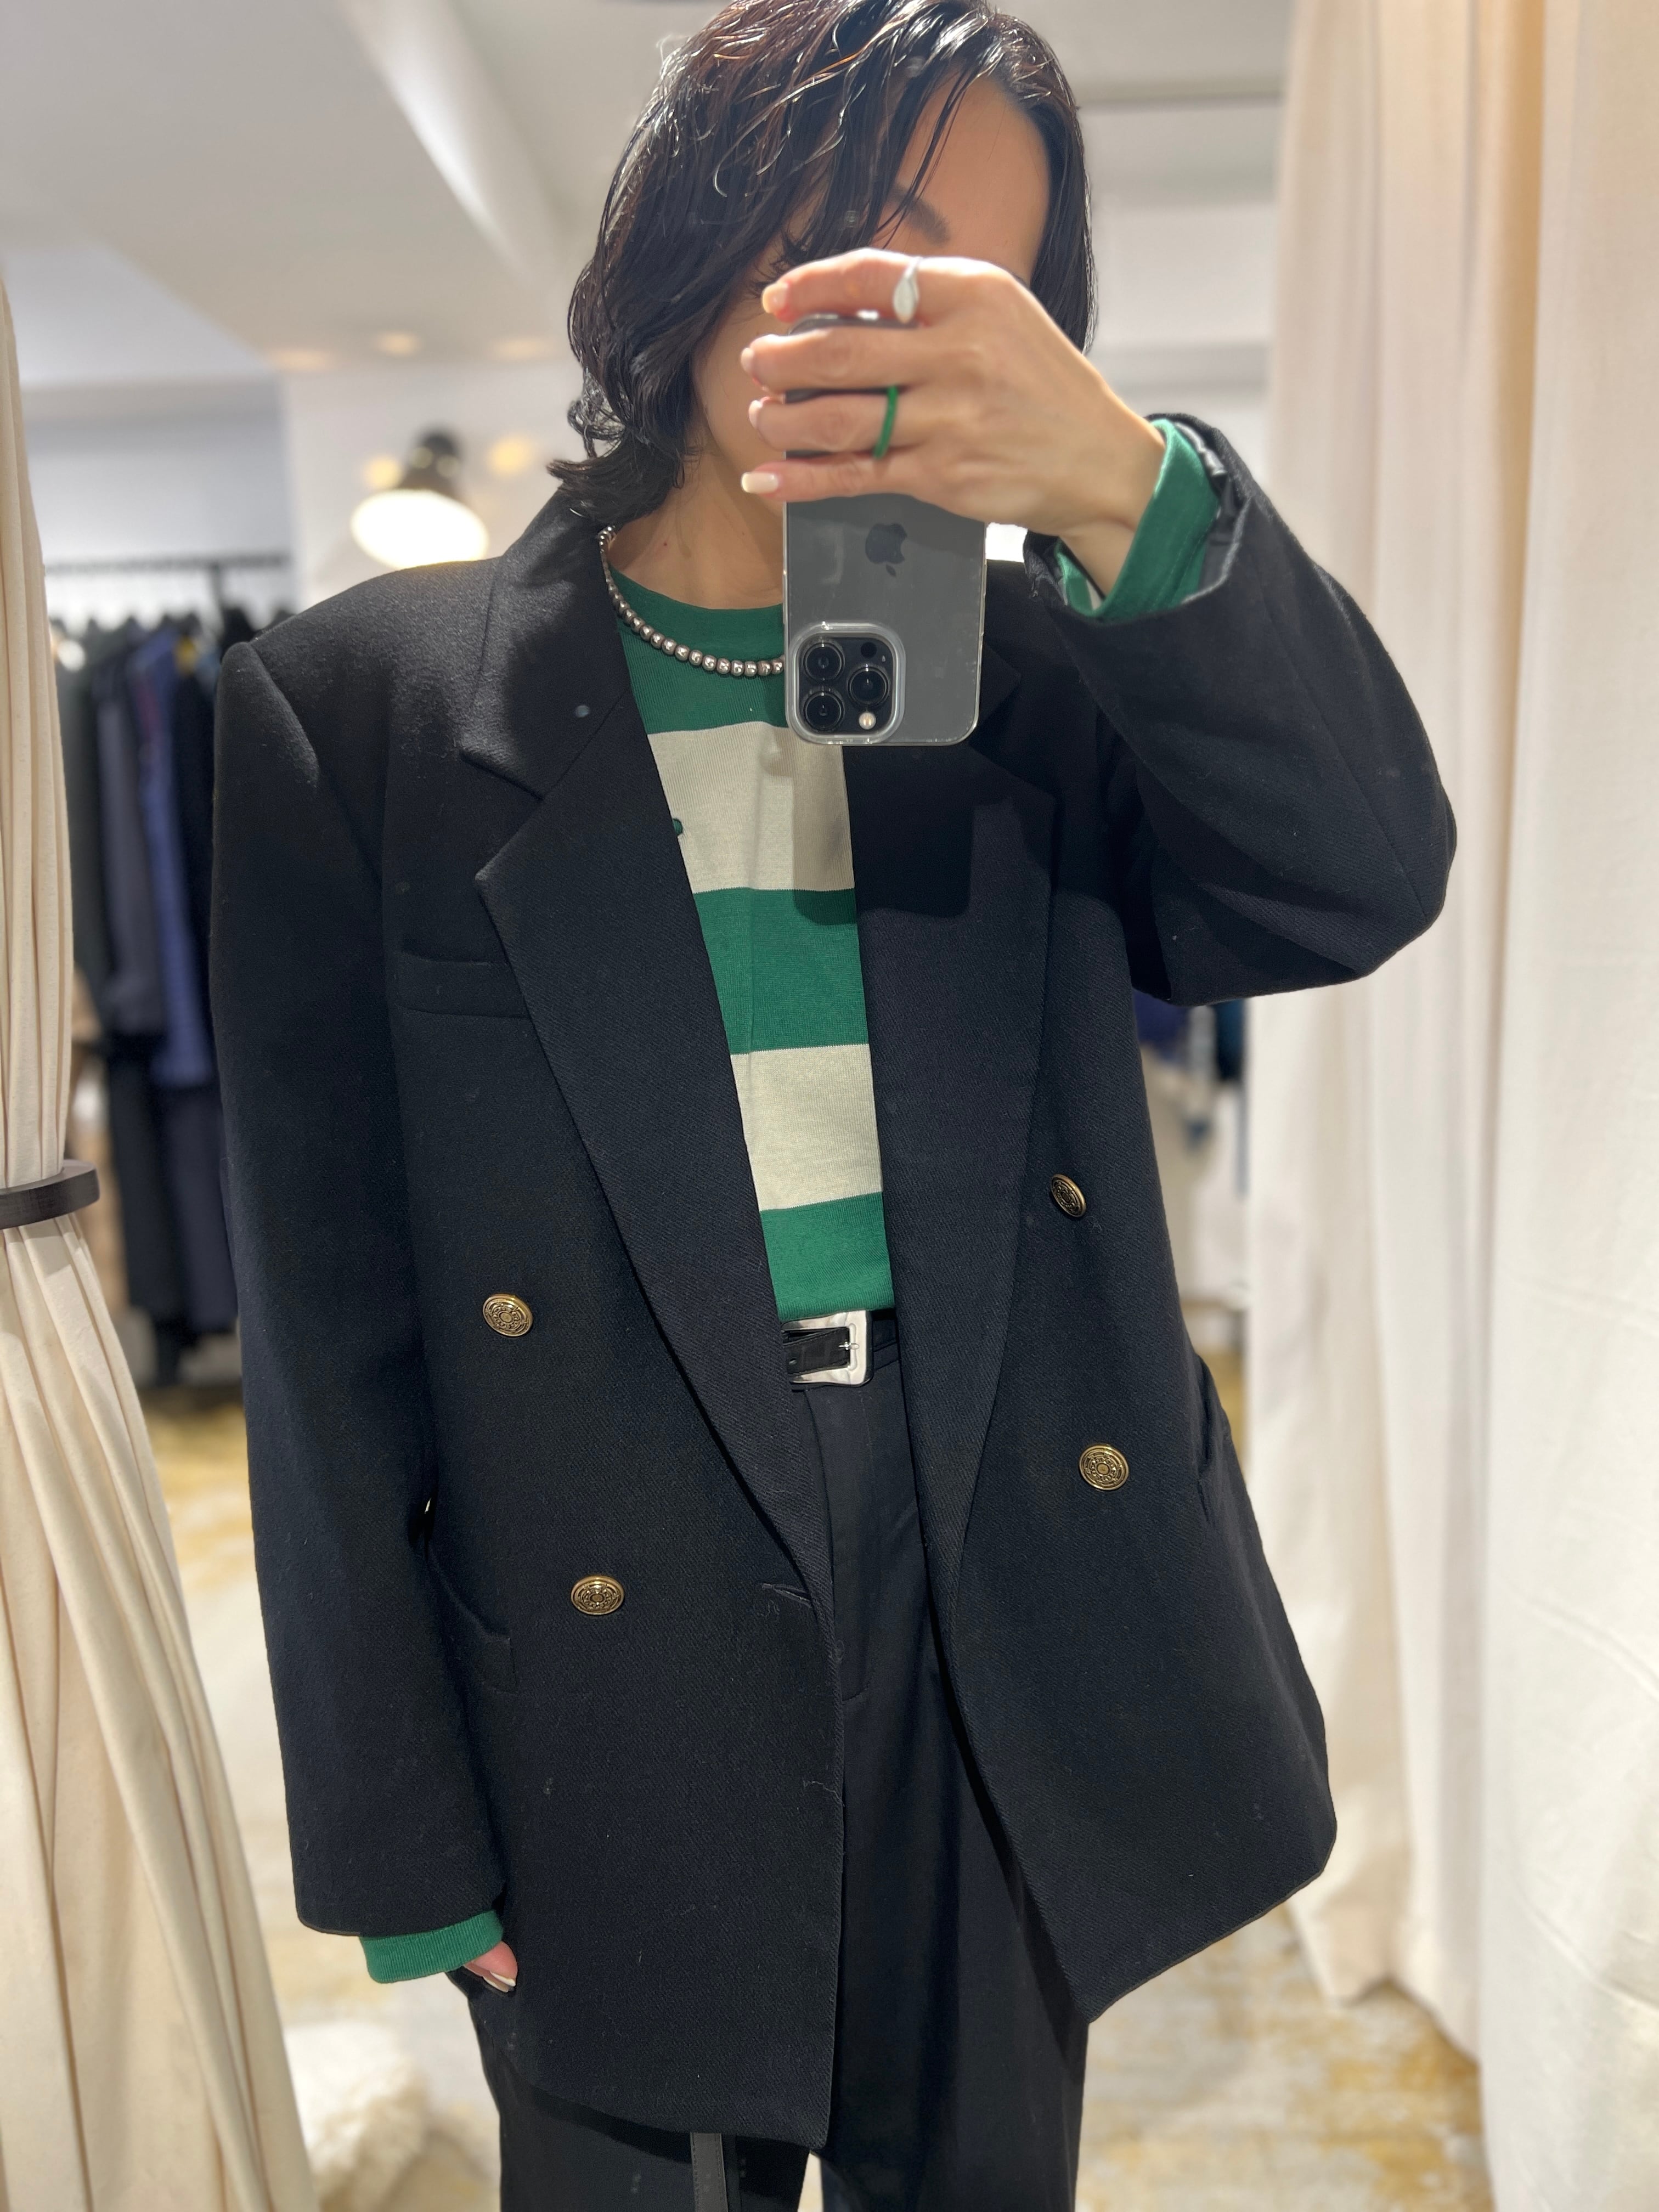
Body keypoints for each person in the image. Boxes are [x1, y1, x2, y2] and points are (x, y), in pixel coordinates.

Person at [212, 2, 1453, 2205]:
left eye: (992, 284)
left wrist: (1130, 487)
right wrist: (398, 1830)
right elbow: (325, 1328)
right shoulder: (365, 710)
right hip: (606, 1592)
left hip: (991, 1557)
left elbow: (1355, 876)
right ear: (699, 230)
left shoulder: (1039, 682)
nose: (919, 315)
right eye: (869, 232)